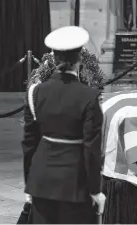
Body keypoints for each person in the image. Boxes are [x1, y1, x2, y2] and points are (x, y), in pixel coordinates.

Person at [22, 26, 106, 224]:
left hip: (41, 182)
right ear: (79, 61)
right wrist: (95, 190)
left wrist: (29, 184)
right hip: (75, 185)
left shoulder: (35, 92)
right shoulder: (89, 97)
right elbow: (91, 149)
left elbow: (29, 144)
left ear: (54, 60)